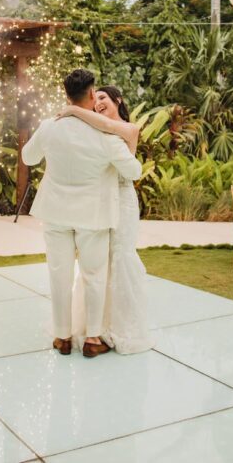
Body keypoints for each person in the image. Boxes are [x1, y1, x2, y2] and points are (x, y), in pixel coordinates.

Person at [21, 69, 143, 358]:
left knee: (58, 274)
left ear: (66, 95)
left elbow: (28, 157)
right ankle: (91, 339)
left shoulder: (49, 126)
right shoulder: (105, 134)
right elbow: (134, 171)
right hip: (94, 215)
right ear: (91, 94)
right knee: (94, 276)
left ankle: (62, 337)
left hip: (55, 212)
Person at [56, 85, 152, 354]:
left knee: (120, 258)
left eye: (103, 98)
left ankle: (119, 329)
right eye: (94, 98)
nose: (97, 103)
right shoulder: (95, 129)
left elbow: (118, 131)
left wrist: (74, 109)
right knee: (96, 263)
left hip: (122, 201)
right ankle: (93, 328)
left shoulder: (126, 129)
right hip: (99, 201)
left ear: (117, 100)